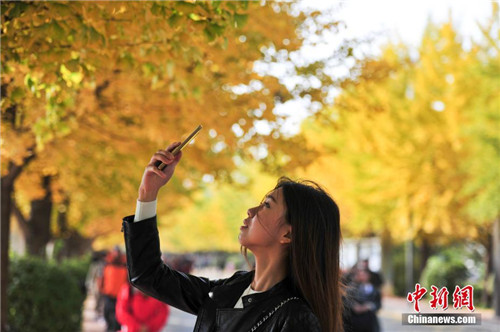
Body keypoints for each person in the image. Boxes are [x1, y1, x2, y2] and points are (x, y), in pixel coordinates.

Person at [122, 142, 344, 331]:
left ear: (287, 233)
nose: (251, 210)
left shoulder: (294, 318)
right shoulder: (228, 290)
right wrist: (147, 193)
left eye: (266, 205)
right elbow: (147, 275)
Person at [99, 246, 129, 331]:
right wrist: (101, 288)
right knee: (107, 312)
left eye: (118, 252)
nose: (116, 254)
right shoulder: (107, 264)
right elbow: (102, 278)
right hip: (108, 293)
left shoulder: (125, 265)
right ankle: (109, 327)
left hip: (120, 296)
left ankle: (116, 329)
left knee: (119, 315)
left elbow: (127, 281)